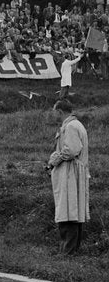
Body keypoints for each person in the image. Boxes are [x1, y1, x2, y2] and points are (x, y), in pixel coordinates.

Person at [46, 98, 89, 254]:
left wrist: (53, 160)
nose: (53, 115)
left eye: (54, 112)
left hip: (70, 173)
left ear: (59, 111)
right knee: (73, 210)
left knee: (68, 211)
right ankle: (72, 250)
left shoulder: (70, 127)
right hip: (73, 173)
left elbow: (70, 150)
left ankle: (67, 252)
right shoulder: (75, 125)